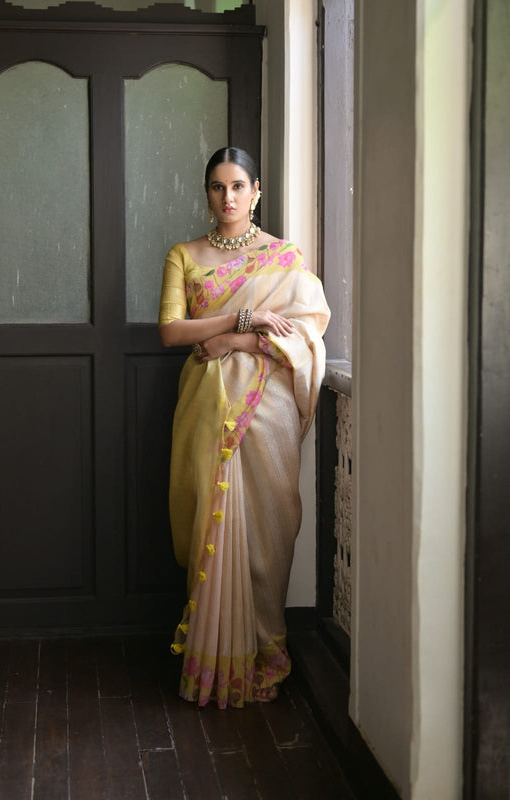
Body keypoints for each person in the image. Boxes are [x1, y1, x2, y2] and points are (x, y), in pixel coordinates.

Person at [158, 146, 330, 708]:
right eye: (216, 187)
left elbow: (307, 334)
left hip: (267, 411)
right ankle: (214, 660)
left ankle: (263, 651)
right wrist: (240, 316)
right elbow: (172, 333)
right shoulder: (184, 254)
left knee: (267, 532)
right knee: (208, 524)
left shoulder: (285, 258)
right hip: (206, 409)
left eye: (237, 187)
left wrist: (238, 339)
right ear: (206, 192)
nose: (227, 198)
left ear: (256, 191)